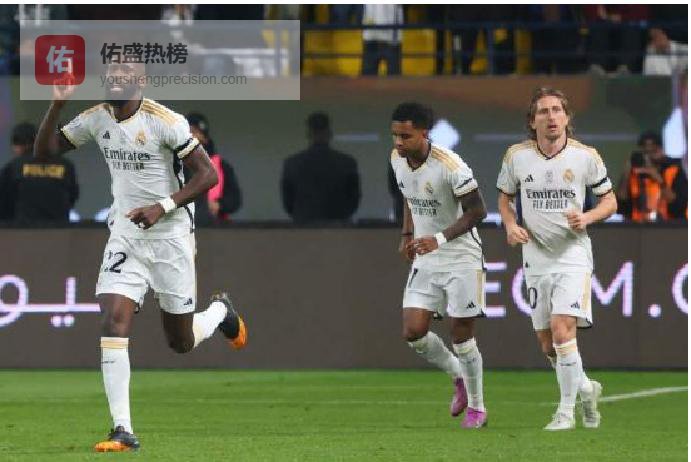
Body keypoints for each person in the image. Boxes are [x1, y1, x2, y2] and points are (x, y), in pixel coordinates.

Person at [34, 62, 248, 452]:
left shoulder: (167, 122)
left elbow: (208, 176)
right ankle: (122, 430)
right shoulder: (97, 117)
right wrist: (57, 104)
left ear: (141, 82)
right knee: (113, 320)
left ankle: (220, 311)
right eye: (111, 76)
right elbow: (44, 152)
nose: (116, 81)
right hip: (126, 234)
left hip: (171, 237)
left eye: (124, 76)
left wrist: (161, 207)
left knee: (180, 341)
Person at [496, 88, 617, 430]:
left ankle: (565, 412)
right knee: (548, 344)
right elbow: (504, 198)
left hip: (572, 254)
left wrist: (587, 217)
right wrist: (510, 225)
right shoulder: (516, 156)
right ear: (532, 121)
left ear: (566, 117)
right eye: (543, 111)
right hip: (535, 255)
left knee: (563, 330)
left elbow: (610, 201)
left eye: (556, 110)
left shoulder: (585, 157)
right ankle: (586, 389)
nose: (551, 117)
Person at [390, 102, 489, 428]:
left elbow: (478, 211)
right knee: (413, 332)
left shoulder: (451, 166)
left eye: (405, 136)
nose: (398, 142)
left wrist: (440, 238)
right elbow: (409, 195)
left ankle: (477, 408)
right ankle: (458, 375)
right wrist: (407, 234)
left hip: (461, 257)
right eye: (395, 135)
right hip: (427, 256)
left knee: (461, 336)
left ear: (424, 133)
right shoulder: (397, 159)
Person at [281, 112, 360, 223]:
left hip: (303, 225)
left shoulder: (291, 163)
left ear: (308, 134)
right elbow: (354, 200)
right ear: (330, 134)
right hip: (338, 225)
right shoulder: (347, 163)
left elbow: (288, 203)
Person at [0, 122, 78, 224]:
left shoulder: (13, 167)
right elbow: (73, 196)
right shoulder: (65, 165)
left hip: (24, 229)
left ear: (17, 145)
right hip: (59, 229)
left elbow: (3, 203)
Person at [185, 112, 242, 225]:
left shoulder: (221, 166)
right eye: (188, 132)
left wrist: (219, 205)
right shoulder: (173, 164)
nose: (192, 136)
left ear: (205, 138)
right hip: (180, 229)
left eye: (195, 132)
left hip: (215, 229)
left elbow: (235, 199)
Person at [617, 131, 687, 221]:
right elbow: (621, 204)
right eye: (646, 152)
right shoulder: (636, 172)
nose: (649, 155)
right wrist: (627, 169)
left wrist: (657, 177)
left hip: (669, 225)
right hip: (637, 225)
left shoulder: (674, 170)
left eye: (653, 150)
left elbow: (679, 204)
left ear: (661, 150)